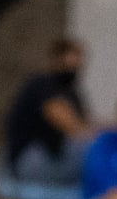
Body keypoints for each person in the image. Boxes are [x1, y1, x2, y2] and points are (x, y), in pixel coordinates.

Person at [5, 37, 92, 185]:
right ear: (57, 59)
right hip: (31, 162)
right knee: (92, 154)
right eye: (71, 60)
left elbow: (87, 123)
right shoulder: (43, 85)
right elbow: (73, 127)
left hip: (55, 160)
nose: (76, 66)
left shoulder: (72, 93)